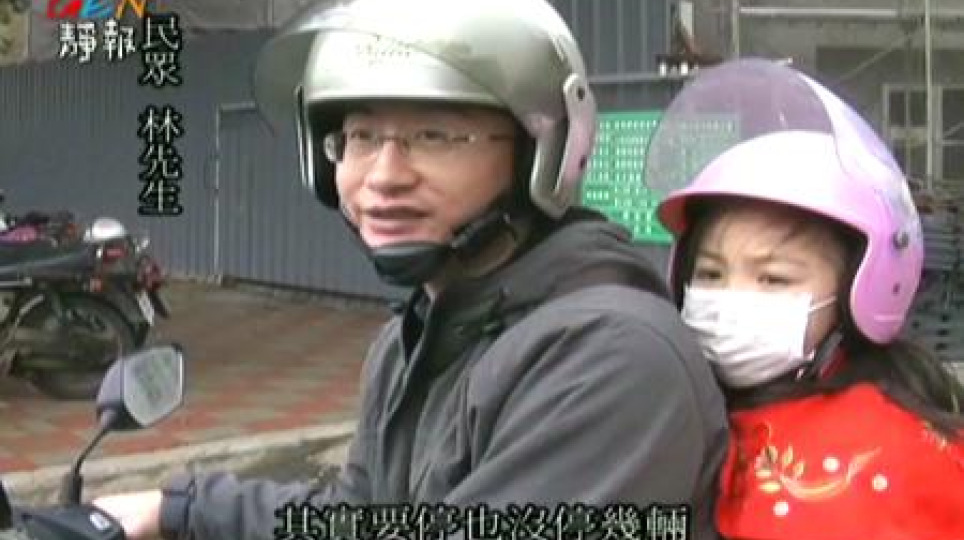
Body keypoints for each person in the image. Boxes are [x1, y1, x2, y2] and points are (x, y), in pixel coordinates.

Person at [93, 1, 729, 538]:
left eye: (436, 136)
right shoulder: (420, 335)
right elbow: (364, 518)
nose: (384, 175)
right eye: (362, 137)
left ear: (541, 151)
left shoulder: (610, 358)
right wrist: (181, 509)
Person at [644, 58, 964, 539]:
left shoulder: (888, 457)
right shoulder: (675, 402)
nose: (730, 298)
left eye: (774, 279)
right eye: (710, 273)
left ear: (863, 286)